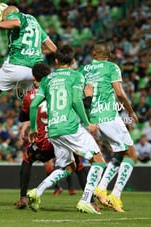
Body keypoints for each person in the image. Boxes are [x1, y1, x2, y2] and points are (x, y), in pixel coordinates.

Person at [26, 45, 106, 214]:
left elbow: (33, 105)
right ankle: (85, 200)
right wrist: (87, 123)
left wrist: (33, 128)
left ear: (56, 61)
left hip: (53, 130)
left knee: (68, 167)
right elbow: (77, 101)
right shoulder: (76, 76)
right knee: (98, 161)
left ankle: (37, 191)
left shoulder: (47, 79)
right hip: (70, 127)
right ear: (73, 60)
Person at [0, 5, 57, 136]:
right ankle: (39, 125)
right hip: (35, 69)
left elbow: (15, 23)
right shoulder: (34, 22)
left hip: (16, 65)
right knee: (28, 96)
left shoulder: (15, 16)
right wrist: (35, 52)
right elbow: (53, 48)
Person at [14, 62, 90, 209]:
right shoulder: (61, 89)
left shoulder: (30, 96)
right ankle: (90, 200)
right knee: (78, 165)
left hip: (44, 142)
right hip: (62, 137)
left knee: (27, 159)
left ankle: (23, 198)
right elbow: (77, 104)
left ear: (34, 78)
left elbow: (22, 117)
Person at [78, 42, 139, 213]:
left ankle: (102, 188)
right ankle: (116, 195)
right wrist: (130, 111)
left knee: (121, 152)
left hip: (93, 118)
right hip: (109, 116)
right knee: (132, 155)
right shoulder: (112, 67)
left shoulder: (83, 70)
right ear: (110, 54)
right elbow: (119, 93)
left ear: (94, 53)